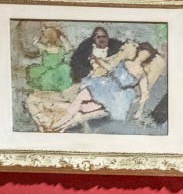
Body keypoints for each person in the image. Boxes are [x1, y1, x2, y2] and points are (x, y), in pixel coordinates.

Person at [26, 42, 160, 132]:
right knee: (81, 97)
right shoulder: (126, 62)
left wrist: (139, 110)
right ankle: (58, 125)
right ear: (138, 52)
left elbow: (145, 93)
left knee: (84, 108)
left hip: (116, 95)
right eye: (142, 52)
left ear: (147, 58)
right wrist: (97, 59)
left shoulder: (142, 74)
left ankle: (61, 113)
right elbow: (109, 68)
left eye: (146, 55)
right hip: (104, 84)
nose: (142, 56)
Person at [24, 24, 73, 92]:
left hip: (49, 71)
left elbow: (35, 43)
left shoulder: (45, 48)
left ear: (47, 38)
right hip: (56, 72)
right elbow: (69, 47)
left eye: (44, 36)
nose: (43, 37)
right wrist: (60, 36)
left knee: (45, 77)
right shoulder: (61, 49)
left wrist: (37, 38)